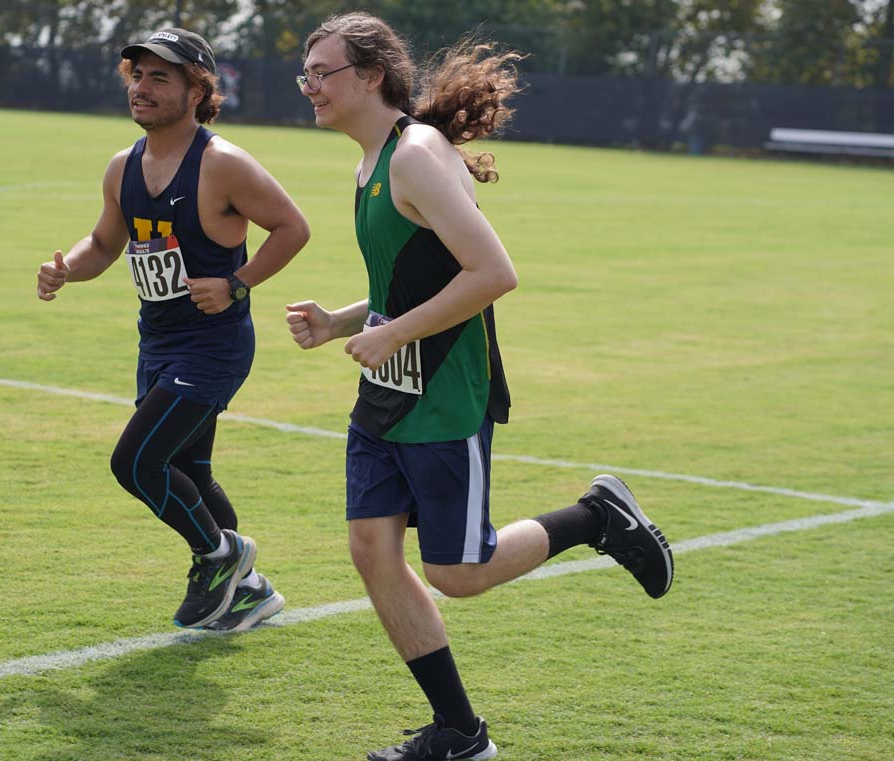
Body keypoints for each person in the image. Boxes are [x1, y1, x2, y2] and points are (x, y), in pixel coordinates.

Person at [286, 13, 673, 760]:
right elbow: (406, 282)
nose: (311, 87)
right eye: (306, 74)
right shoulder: (372, 160)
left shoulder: (415, 156)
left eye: (322, 73)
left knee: (458, 572)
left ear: (370, 77)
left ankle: (597, 516)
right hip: (388, 395)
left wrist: (393, 333)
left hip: (443, 394)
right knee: (372, 549)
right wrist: (341, 321)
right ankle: (460, 732)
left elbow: (494, 273)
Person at [38, 28, 310, 632]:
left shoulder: (222, 164)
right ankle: (251, 592)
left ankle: (220, 556)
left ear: (196, 90)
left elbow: (292, 227)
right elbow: (106, 242)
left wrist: (238, 283)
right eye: (136, 75)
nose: (142, 87)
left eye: (160, 76)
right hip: (157, 340)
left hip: (214, 345)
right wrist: (66, 271)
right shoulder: (123, 166)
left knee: (135, 462)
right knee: (192, 470)